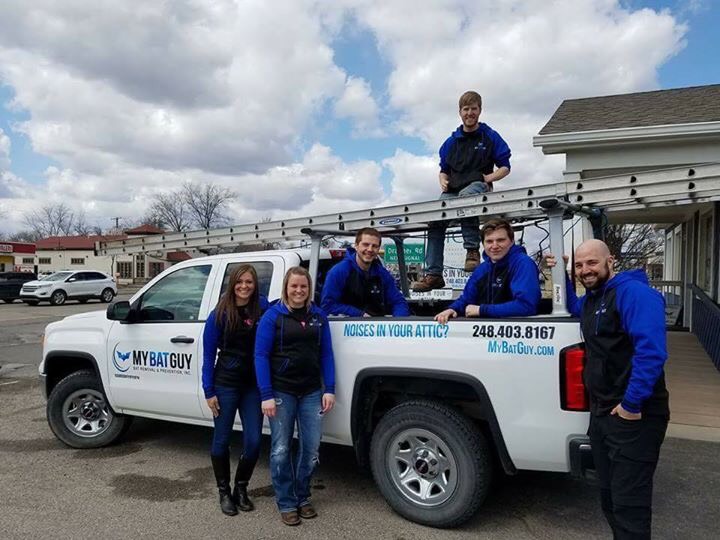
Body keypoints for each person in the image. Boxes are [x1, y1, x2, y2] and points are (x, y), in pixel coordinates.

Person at [546, 240, 669, 540]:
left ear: (610, 261)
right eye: (579, 265)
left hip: (634, 415)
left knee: (630, 506)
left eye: (592, 263)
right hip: (603, 415)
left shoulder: (635, 294)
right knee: (610, 498)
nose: (585, 270)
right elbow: (575, 307)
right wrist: (561, 272)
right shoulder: (592, 299)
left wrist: (631, 405)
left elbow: (651, 353)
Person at [254, 266, 336, 526]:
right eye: (294, 286)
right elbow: (260, 355)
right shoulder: (273, 316)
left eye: (303, 286)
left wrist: (330, 388)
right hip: (281, 391)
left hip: (311, 392)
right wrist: (265, 394)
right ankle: (286, 501)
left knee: (311, 449)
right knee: (280, 449)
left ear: (309, 289)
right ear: (286, 288)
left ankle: (303, 496)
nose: (299, 291)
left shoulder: (319, 316)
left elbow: (326, 355)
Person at [413, 90, 512, 292]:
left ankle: (472, 251)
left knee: (466, 200)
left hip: (477, 185)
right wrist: (442, 180)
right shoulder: (452, 142)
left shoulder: (489, 136)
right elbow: (443, 170)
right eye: (466, 109)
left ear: (480, 110)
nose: (470, 113)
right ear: (460, 112)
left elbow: (505, 166)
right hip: (454, 188)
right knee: (435, 219)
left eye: (473, 109)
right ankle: (433, 274)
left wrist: (489, 178)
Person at [202, 265, 269, 516]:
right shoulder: (219, 313)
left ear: (255, 284)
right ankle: (224, 492)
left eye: (249, 282)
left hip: (252, 386)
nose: (244, 286)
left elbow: (287, 306)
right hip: (225, 384)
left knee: (253, 441)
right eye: (240, 282)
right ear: (233, 283)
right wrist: (209, 391)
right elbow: (208, 356)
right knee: (221, 441)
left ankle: (241, 488)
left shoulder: (263, 307)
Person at [435, 219, 541, 324]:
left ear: (512, 241)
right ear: (483, 244)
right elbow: (467, 299)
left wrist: (482, 310)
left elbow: (526, 306)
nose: (494, 246)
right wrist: (452, 309)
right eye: (489, 241)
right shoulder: (482, 269)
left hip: (517, 336)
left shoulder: (522, 263)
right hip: (487, 335)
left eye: (500, 240)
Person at [321, 227, 410, 317]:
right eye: (366, 244)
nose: (370, 249)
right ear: (356, 245)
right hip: (345, 328)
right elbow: (328, 306)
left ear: (378, 249)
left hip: (377, 327)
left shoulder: (382, 274)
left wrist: (399, 322)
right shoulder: (339, 272)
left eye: (374, 246)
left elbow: (398, 302)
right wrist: (359, 314)